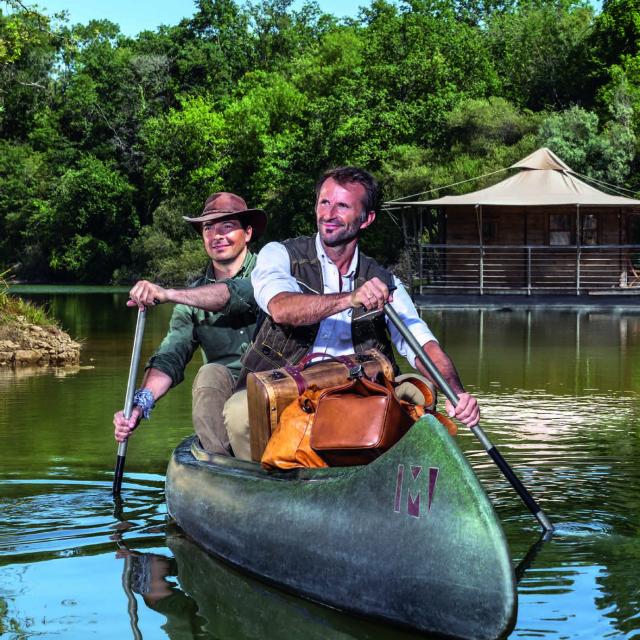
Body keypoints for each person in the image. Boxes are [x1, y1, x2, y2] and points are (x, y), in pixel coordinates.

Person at [225, 166, 479, 459]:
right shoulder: (279, 254)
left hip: (357, 392)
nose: (329, 213)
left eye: (342, 205)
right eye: (324, 202)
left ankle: (388, 478)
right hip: (285, 386)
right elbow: (281, 309)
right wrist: (350, 298)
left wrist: (456, 393)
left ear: (366, 218)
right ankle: (264, 487)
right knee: (237, 411)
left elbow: (422, 345)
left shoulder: (386, 282)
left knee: (419, 394)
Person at [113, 192, 266, 455]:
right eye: (209, 228)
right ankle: (222, 468)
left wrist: (167, 294)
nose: (217, 235)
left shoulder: (269, 273)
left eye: (227, 226)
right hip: (226, 393)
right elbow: (170, 357)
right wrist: (138, 406)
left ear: (248, 233)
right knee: (208, 374)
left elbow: (236, 294)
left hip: (275, 382)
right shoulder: (190, 301)